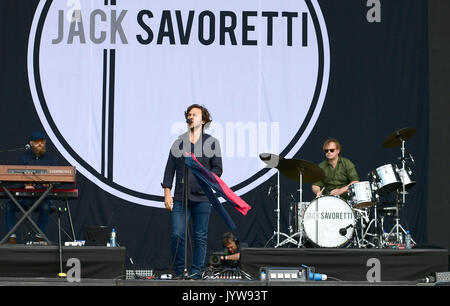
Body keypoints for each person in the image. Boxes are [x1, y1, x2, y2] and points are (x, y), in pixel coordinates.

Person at [162, 104, 222, 279]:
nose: (190, 116)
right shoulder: (179, 143)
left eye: (195, 114)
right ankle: (180, 273)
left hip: (203, 197)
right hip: (181, 197)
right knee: (177, 234)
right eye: (189, 114)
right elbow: (169, 169)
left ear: (203, 120)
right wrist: (167, 192)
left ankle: (196, 274)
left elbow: (218, 169)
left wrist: (206, 177)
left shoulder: (212, 143)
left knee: (200, 237)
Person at [5, 131, 56, 244]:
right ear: (31, 143)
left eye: (42, 142)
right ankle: (11, 237)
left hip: (42, 198)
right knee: (10, 206)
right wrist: (24, 185)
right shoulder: (24, 158)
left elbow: (56, 180)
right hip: (25, 199)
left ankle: (39, 236)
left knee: (46, 207)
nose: (40, 144)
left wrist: (49, 183)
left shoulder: (51, 159)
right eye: (37, 142)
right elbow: (18, 178)